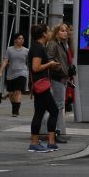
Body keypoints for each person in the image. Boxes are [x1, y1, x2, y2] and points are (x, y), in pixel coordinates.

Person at [28, 23, 60, 153]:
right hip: (41, 85)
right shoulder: (38, 48)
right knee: (54, 111)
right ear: (43, 34)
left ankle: (38, 142)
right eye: (49, 30)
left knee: (40, 113)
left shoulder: (38, 47)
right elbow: (36, 68)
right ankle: (43, 143)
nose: (51, 32)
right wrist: (50, 64)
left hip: (39, 84)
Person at [46, 23, 72, 143]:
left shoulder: (62, 44)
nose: (65, 33)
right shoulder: (53, 44)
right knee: (58, 106)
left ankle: (56, 132)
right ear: (56, 32)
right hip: (57, 78)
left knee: (59, 106)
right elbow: (49, 58)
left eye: (66, 31)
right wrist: (60, 68)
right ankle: (55, 132)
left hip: (62, 78)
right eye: (62, 31)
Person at [0, 33, 29, 117]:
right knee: (11, 93)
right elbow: (5, 61)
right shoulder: (9, 49)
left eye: (22, 38)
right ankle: (14, 106)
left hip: (22, 73)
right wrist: (0, 72)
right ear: (15, 40)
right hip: (11, 74)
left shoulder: (26, 51)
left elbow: (29, 62)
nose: (21, 40)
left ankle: (15, 111)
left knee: (18, 91)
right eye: (19, 38)